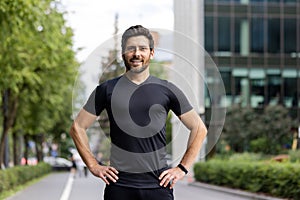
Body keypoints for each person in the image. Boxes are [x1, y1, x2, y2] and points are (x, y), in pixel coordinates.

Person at [69, 25, 207, 200]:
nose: (137, 54)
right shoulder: (106, 89)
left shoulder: (167, 89)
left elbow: (199, 128)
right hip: (119, 187)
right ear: (123, 54)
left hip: (159, 187)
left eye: (142, 49)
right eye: (131, 49)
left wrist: (182, 168)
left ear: (151, 53)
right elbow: (77, 127)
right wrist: (93, 165)